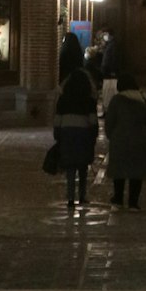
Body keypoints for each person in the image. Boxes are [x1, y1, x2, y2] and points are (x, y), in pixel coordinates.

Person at [103, 73, 146, 210]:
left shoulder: (117, 100)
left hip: (120, 139)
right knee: (137, 172)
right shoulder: (144, 99)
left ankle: (118, 199)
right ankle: (133, 202)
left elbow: (109, 122)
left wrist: (112, 136)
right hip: (140, 140)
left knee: (119, 172)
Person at [53, 67, 98, 210]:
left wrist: (57, 134)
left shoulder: (63, 99)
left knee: (70, 166)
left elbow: (57, 119)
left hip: (67, 132)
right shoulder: (88, 99)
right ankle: (82, 195)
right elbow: (93, 120)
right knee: (83, 164)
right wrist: (93, 135)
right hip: (83, 132)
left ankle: (70, 197)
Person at [100, 28, 119, 111]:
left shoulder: (113, 44)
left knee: (109, 89)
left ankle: (108, 106)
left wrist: (113, 70)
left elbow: (114, 58)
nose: (104, 36)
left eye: (105, 34)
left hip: (109, 70)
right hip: (107, 69)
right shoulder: (109, 43)